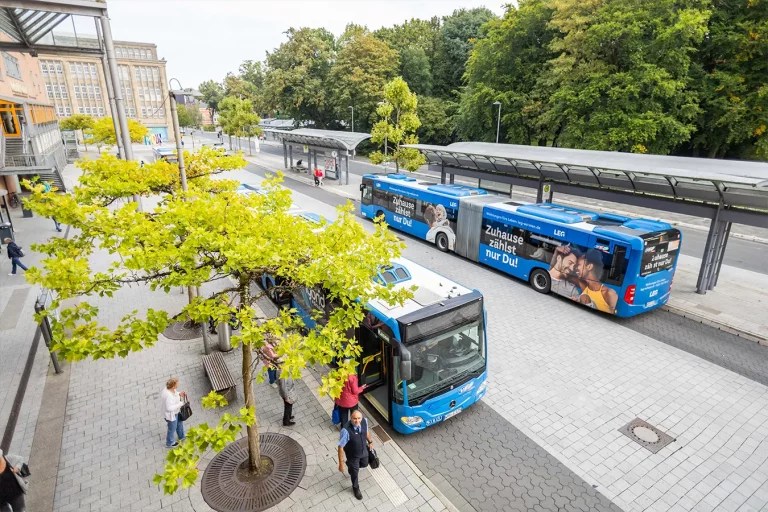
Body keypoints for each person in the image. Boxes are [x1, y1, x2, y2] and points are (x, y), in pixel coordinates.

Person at [337, 410, 373, 500]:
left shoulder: (364, 421)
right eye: (354, 419)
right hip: (352, 455)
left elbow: (366, 432)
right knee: (355, 472)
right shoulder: (345, 431)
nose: (357, 421)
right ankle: (355, 488)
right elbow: (340, 447)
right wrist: (341, 463)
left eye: (359, 418)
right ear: (351, 418)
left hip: (363, 450)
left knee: (365, 464)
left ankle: (350, 465)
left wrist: (370, 441)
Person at [575, 249, 618, 314]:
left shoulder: (609, 293)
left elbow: (610, 315)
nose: (576, 267)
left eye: (578, 264)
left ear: (589, 267)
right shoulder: (584, 286)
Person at [160, 377, 187, 448]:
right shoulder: (169, 396)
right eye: (177, 384)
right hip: (171, 415)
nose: (178, 384)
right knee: (172, 428)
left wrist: (179, 394)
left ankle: (181, 436)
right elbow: (169, 408)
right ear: (173, 385)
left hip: (176, 412)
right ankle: (170, 443)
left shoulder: (168, 389)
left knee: (179, 423)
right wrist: (180, 404)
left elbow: (174, 394)